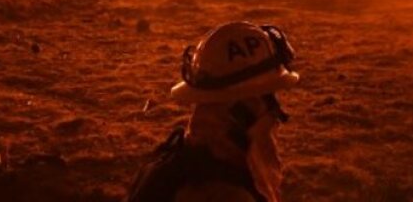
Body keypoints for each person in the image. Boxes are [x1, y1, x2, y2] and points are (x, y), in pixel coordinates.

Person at [126, 22, 300, 202]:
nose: (275, 118)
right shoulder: (225, 194)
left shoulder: (179, 162)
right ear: (242, 111)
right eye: (268, 98)